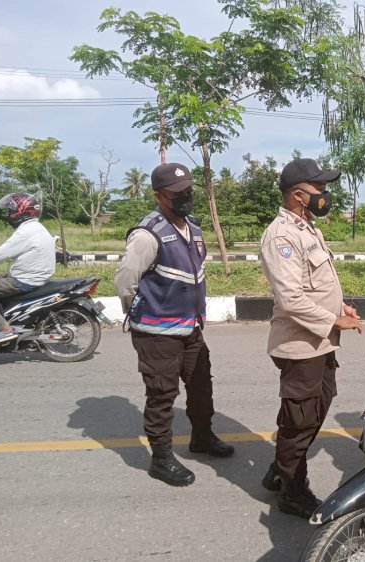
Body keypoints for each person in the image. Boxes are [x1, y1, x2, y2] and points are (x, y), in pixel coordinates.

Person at [114, 162, 234, 488]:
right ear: (159, 195)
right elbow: (125, 281)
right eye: (177, 194)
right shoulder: (147, 234)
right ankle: (162, 458)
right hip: (156, 334)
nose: (185, 197)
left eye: (188, 191)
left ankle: (202, 437)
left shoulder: (193, 227)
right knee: (162, 395)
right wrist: (142, 312)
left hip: (191, 328)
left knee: (200, 386)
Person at [259, 157, 363, 518]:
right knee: (298, 421)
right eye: (320, 188)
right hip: (300, 344)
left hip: (320, 341)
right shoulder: (281, 235)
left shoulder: (307, 227)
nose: (326, 194)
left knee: (320, 403)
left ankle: (279, 470)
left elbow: (315, 284)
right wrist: (332, 319)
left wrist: (342, 307)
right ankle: (292, 492)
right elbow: (290, 299)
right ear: (298, 195)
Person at [0, 193, 55, 346]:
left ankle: (3, 329)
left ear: (21, 211)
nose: (8, 214)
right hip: (29, 274)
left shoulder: (26, 232)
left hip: (24, 279)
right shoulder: (35, 227)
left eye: (10, 210)